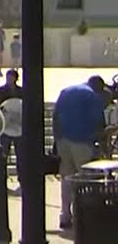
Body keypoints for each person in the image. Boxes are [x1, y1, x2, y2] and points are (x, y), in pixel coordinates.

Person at [53, 76, 110, 229]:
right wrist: (101, 142)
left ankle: (65, 214)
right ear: (98, 86)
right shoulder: (92, 95)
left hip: (63, 139)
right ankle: (83, 215)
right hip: (82, 141)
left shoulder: (66, 91)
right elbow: (98, 121)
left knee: (66, 177)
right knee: (85, 179)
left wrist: (57, 138)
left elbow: (55, 116)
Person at [0, 69, 23, 186]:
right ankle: (2, 178)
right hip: (5, 127)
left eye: (11, 77)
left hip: (18, 128)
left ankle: (21, 179)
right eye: (8, 77)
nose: (9, 80)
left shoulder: (22, 91)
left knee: (20, 155)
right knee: (3, 154)